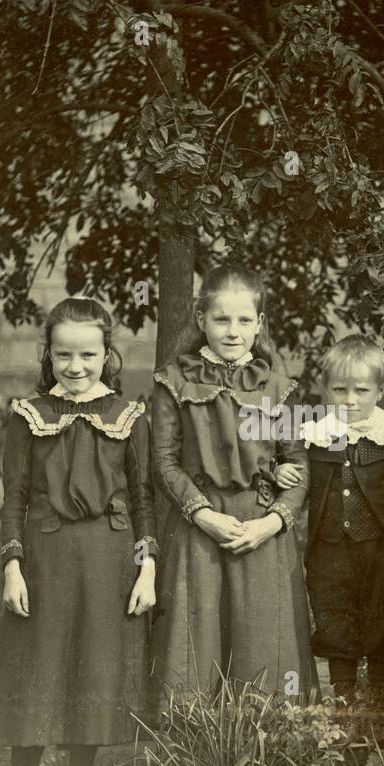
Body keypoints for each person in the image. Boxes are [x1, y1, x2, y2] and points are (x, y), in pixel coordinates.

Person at [0, 297, 157, 766]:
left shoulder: (128, 415)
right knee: (35, 679)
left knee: (93, 680)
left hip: (109, 563)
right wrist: (12, 564)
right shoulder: (28, 415)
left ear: (107, 355)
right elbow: (13, 497)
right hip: (44, 559)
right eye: (64, 354)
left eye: (88, 354)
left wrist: (148, 565)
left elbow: (142, 500)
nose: (76, 365)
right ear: (49, 355)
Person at [150, 262, 318, 709]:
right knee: (196, 645)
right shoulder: (173, 381)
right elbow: (164, 461)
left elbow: (298, 465)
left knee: (262, 644)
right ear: (201, 319)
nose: (232, 330)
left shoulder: (279, 388)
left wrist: (273, 523)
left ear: (259, 324)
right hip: (198, 529)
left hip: (260, 531)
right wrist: (202, 515)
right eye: (221, 319)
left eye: (245, 320)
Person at [275, 336, 384, 735]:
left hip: (382, 551)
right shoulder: (313, 437)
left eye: (362, 390)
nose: (350, 400)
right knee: (335, 621)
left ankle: (380, 712)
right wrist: (278, 473)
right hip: (328, 551)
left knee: (380, 622)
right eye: (340, 390)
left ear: (380, 390)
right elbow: (291, 472)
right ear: (324, 389)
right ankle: (342, 711)